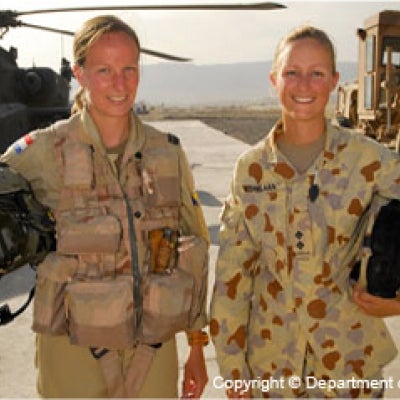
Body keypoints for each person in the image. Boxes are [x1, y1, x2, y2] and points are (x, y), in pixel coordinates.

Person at [1, 15, 209, 398]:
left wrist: (197, 345)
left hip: (154, 351)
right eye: (104, 70)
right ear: (79, 74)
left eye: (129, 69)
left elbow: (194, 247)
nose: (120, 83)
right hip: (73, 354)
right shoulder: (43, 150)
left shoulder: (167, 152)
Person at [210, 25, 400, 398]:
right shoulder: (251, 170)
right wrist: (233, 370)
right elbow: (233, 276)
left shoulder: (373, 161)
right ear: (273, 80)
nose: (304, 85)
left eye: (316, 73)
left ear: (333, 81)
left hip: (350, 367)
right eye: (291, 72)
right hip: (271, 369)